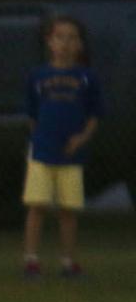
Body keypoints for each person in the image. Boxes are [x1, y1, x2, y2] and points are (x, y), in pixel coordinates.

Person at [20, 15, 103, 278]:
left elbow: (94, 115)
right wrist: (39, 138)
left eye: (71, 38)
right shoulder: (38, 76)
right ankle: (31, 259)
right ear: (50, 42)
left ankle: (68, 261)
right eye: (59, 37)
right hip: (42, 152)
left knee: (68, 209)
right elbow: (32, 114)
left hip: (71, 154)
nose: (65, 44)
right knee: (37, 206)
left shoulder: (87, 77)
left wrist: (81, 138)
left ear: (80, 44)